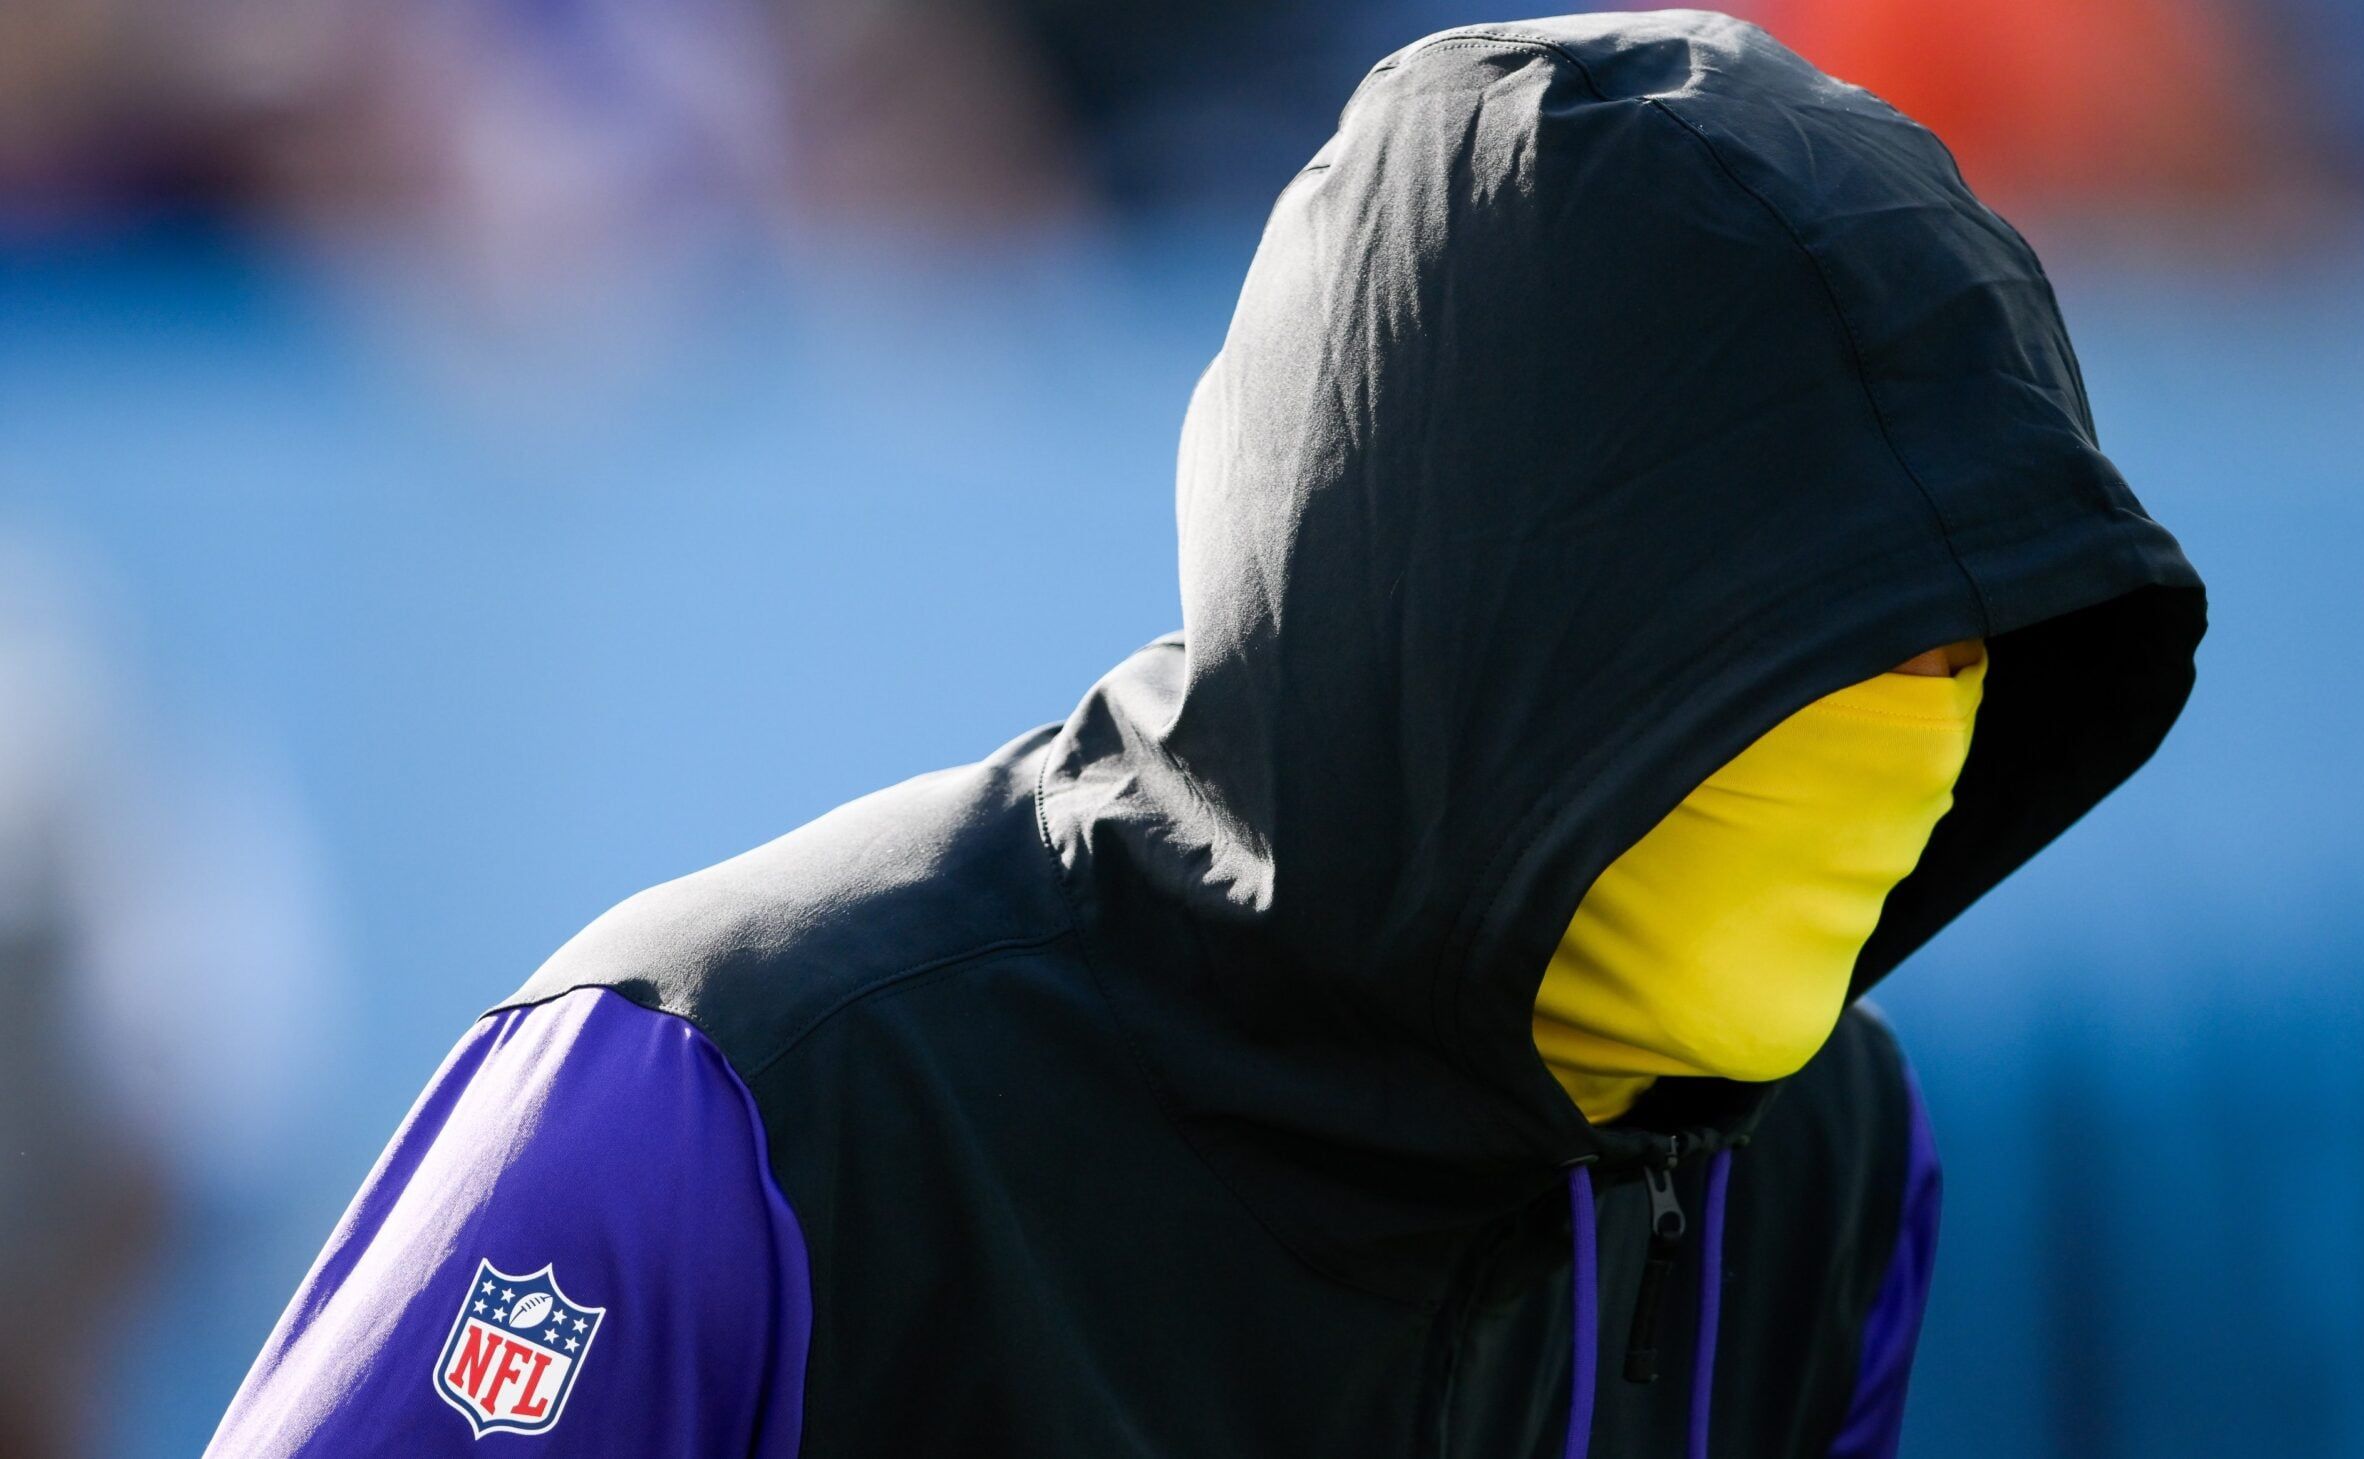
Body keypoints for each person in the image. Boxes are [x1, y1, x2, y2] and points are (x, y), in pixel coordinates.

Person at [209, 12, 2204, 1457]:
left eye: (1966, 650)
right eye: (1815, 636)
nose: (1918, 739)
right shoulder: (735, 1090)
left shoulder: (1822, 1163)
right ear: (1491, 617)